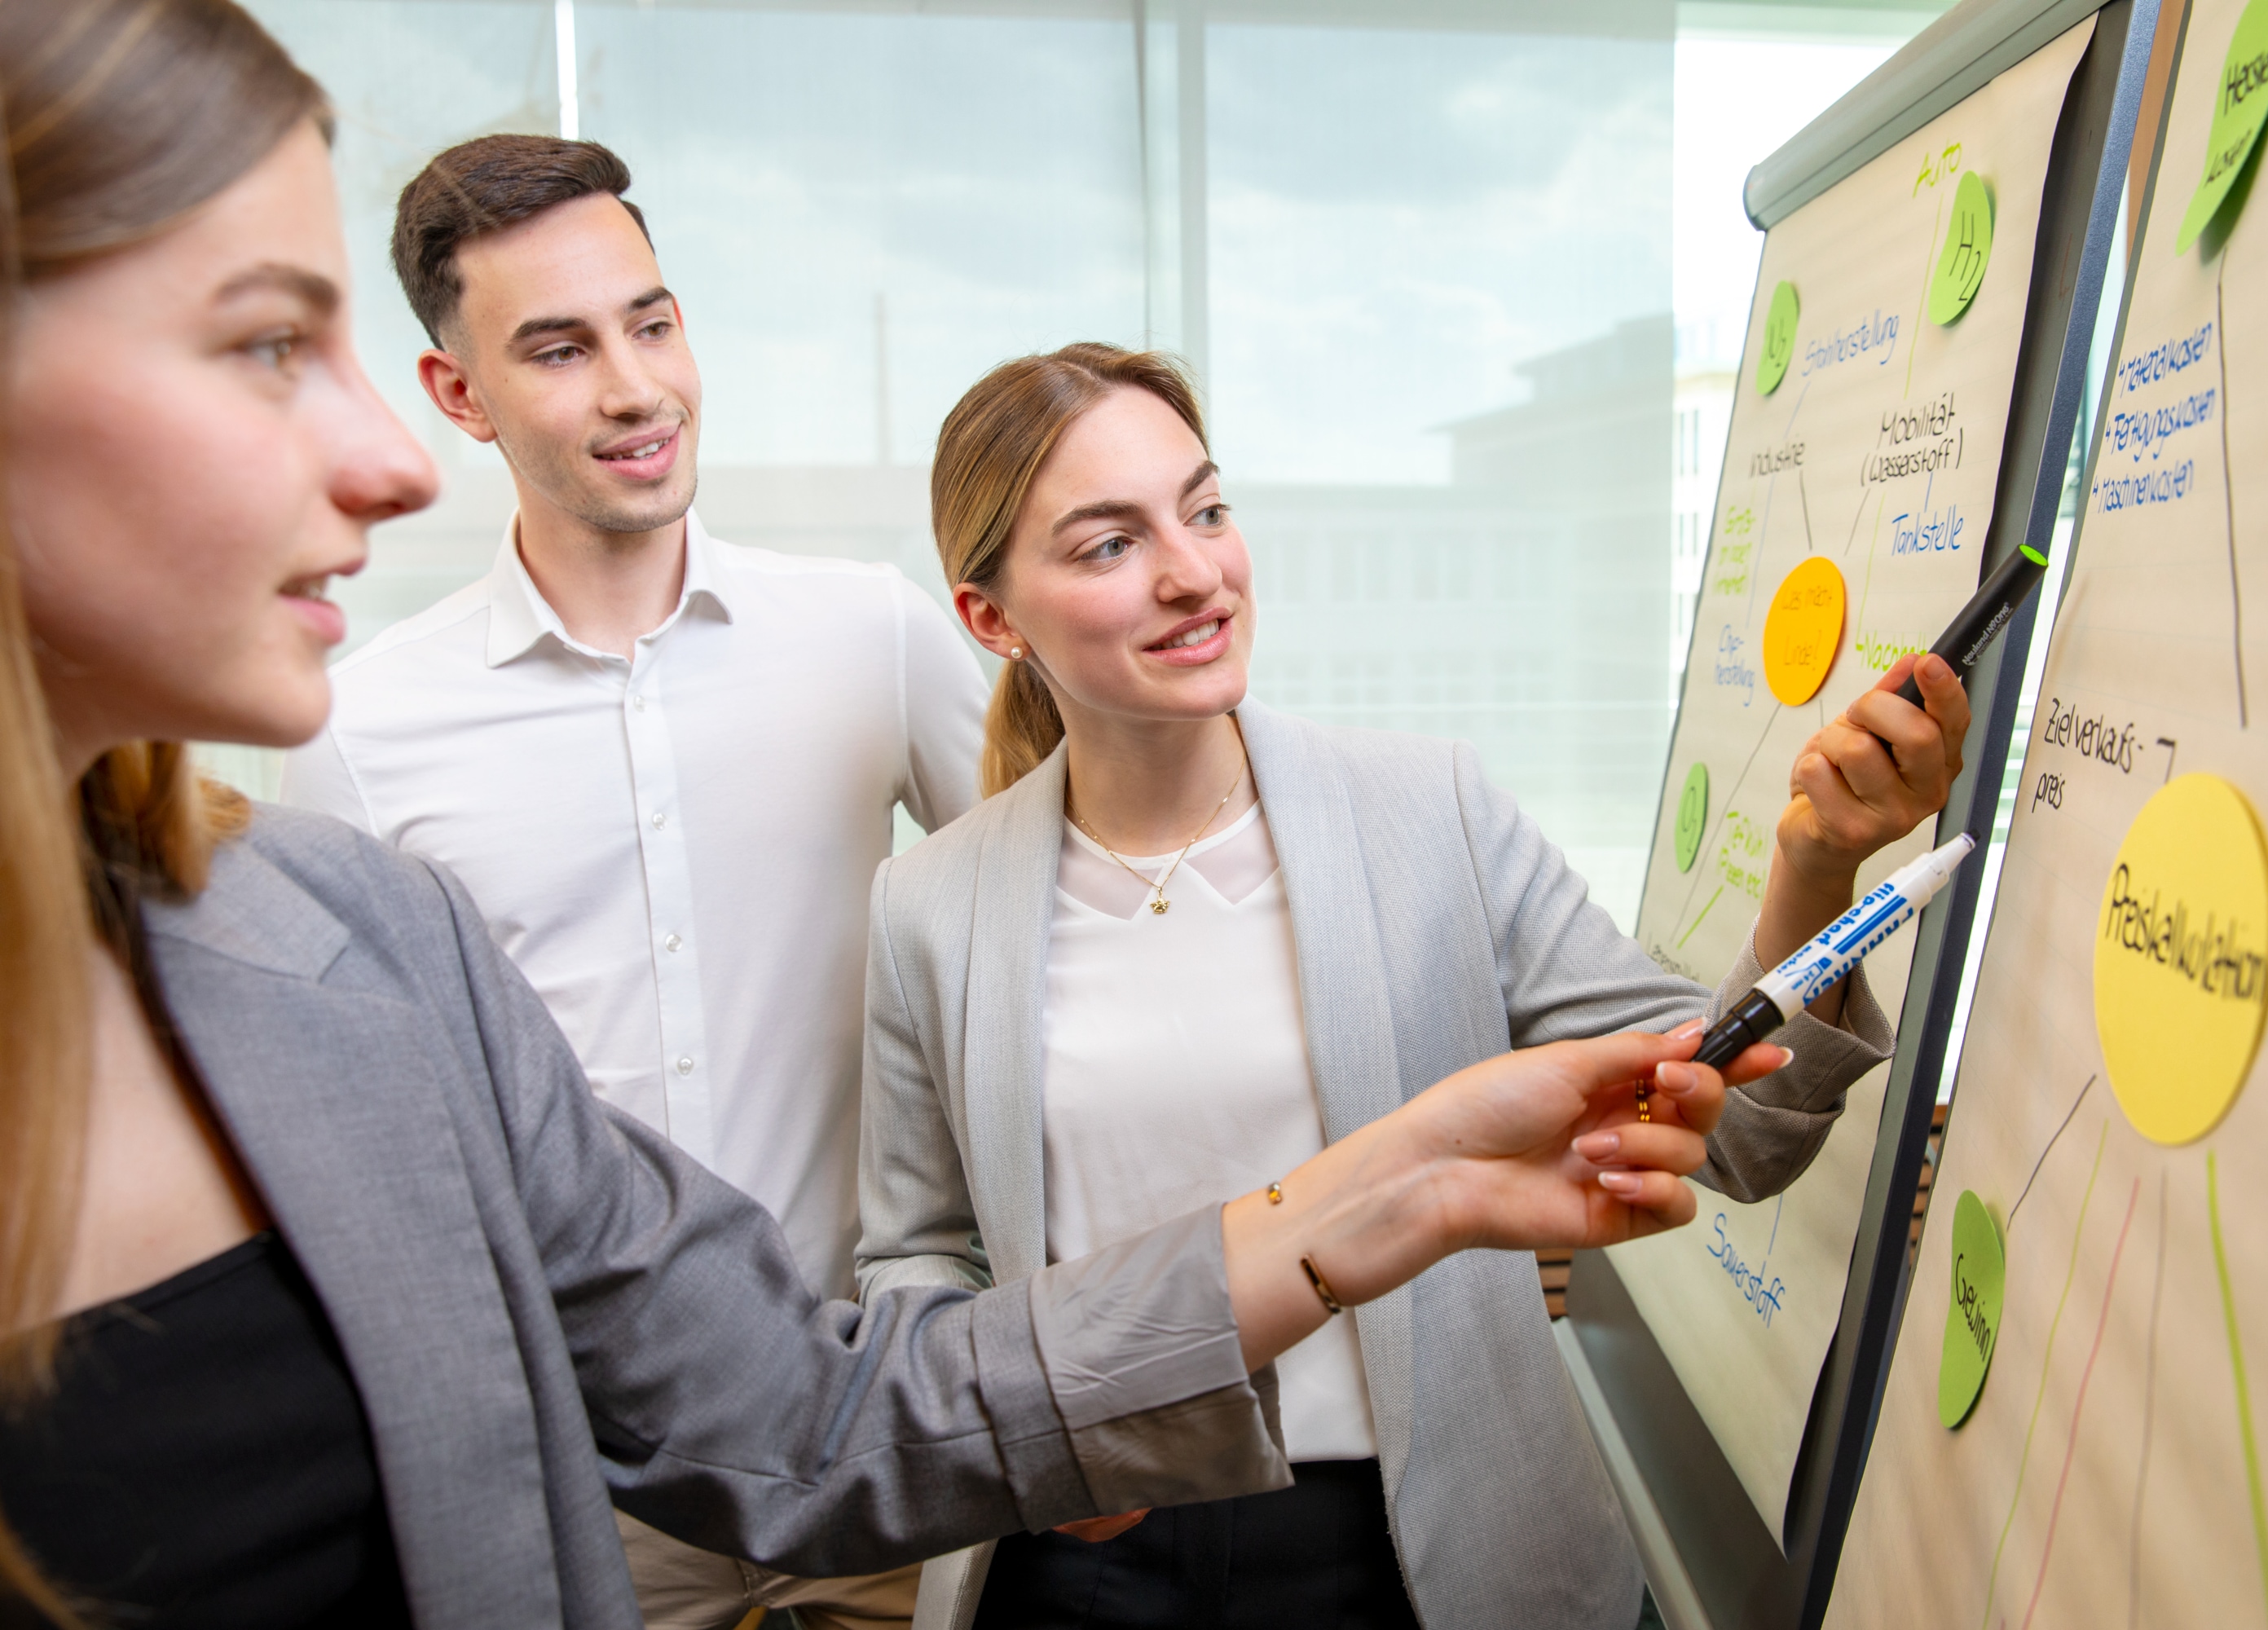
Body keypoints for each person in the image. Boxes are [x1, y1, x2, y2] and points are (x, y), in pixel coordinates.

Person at [0, 7, 1751, 1627]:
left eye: (653, 318)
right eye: (259, 343)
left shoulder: (364, 925)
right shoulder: (368, 749)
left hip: (862, 1449)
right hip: (653, 1500)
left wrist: (1391, 1185)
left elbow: (810, 1383)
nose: (379, 464)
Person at [857, 345, 1973, 1629]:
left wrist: (1819, 859)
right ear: (991, 617)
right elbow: (916, 1251)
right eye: (1109, 545)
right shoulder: (929, 906)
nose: (1193, 572)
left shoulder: (1426, 812)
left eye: (1206, 509)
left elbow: (1741, 1130)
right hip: (1077, 1559)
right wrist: (1009, 1430)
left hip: (1414, 1548)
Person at [279, 131, 986, 1630]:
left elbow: (1077, 927)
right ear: (459, 396)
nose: (634, 387)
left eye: (650, 322)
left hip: (886, 1425)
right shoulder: (361, 732)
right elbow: (366, 1156)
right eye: (558, 348)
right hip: (595, 1483)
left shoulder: (870, 634)